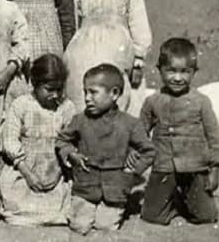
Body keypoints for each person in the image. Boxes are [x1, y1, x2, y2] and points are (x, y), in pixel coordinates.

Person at [56, 63, 155, 236]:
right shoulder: (79, 120)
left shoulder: (130, 124)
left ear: (114, 94)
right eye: (85, 92)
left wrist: (133, 170)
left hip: (115, 190)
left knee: (106, 227)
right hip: (85, 187)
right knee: (79, 226)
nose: (87, 98)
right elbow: (62, 140)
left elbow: (148, 151)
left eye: (93, 92)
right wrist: (72, 154)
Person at [139, 38, 219, 226]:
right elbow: (140, 133)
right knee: (152, 216)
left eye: (185, 71)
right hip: (163, 165)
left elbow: (214, 138)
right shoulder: (153, 101)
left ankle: (187, 199)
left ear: (194, 72)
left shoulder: (201, 101)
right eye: (171, 71)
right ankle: (172, 200)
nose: (178, 78)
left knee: (206, 217)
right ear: (159, 69)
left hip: (195, 167)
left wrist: (215, 170)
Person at [0, 54, 77, 226]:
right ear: (34, 83)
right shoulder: (21, 105)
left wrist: (58, 173)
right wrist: (28, 173)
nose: (55, 95)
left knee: (60, 206)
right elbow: (10, 140)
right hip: (24, 170)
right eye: (49, 89)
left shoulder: (67, 108)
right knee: (18, 206)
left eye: (59, 89)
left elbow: (70, 142)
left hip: (54, 170)